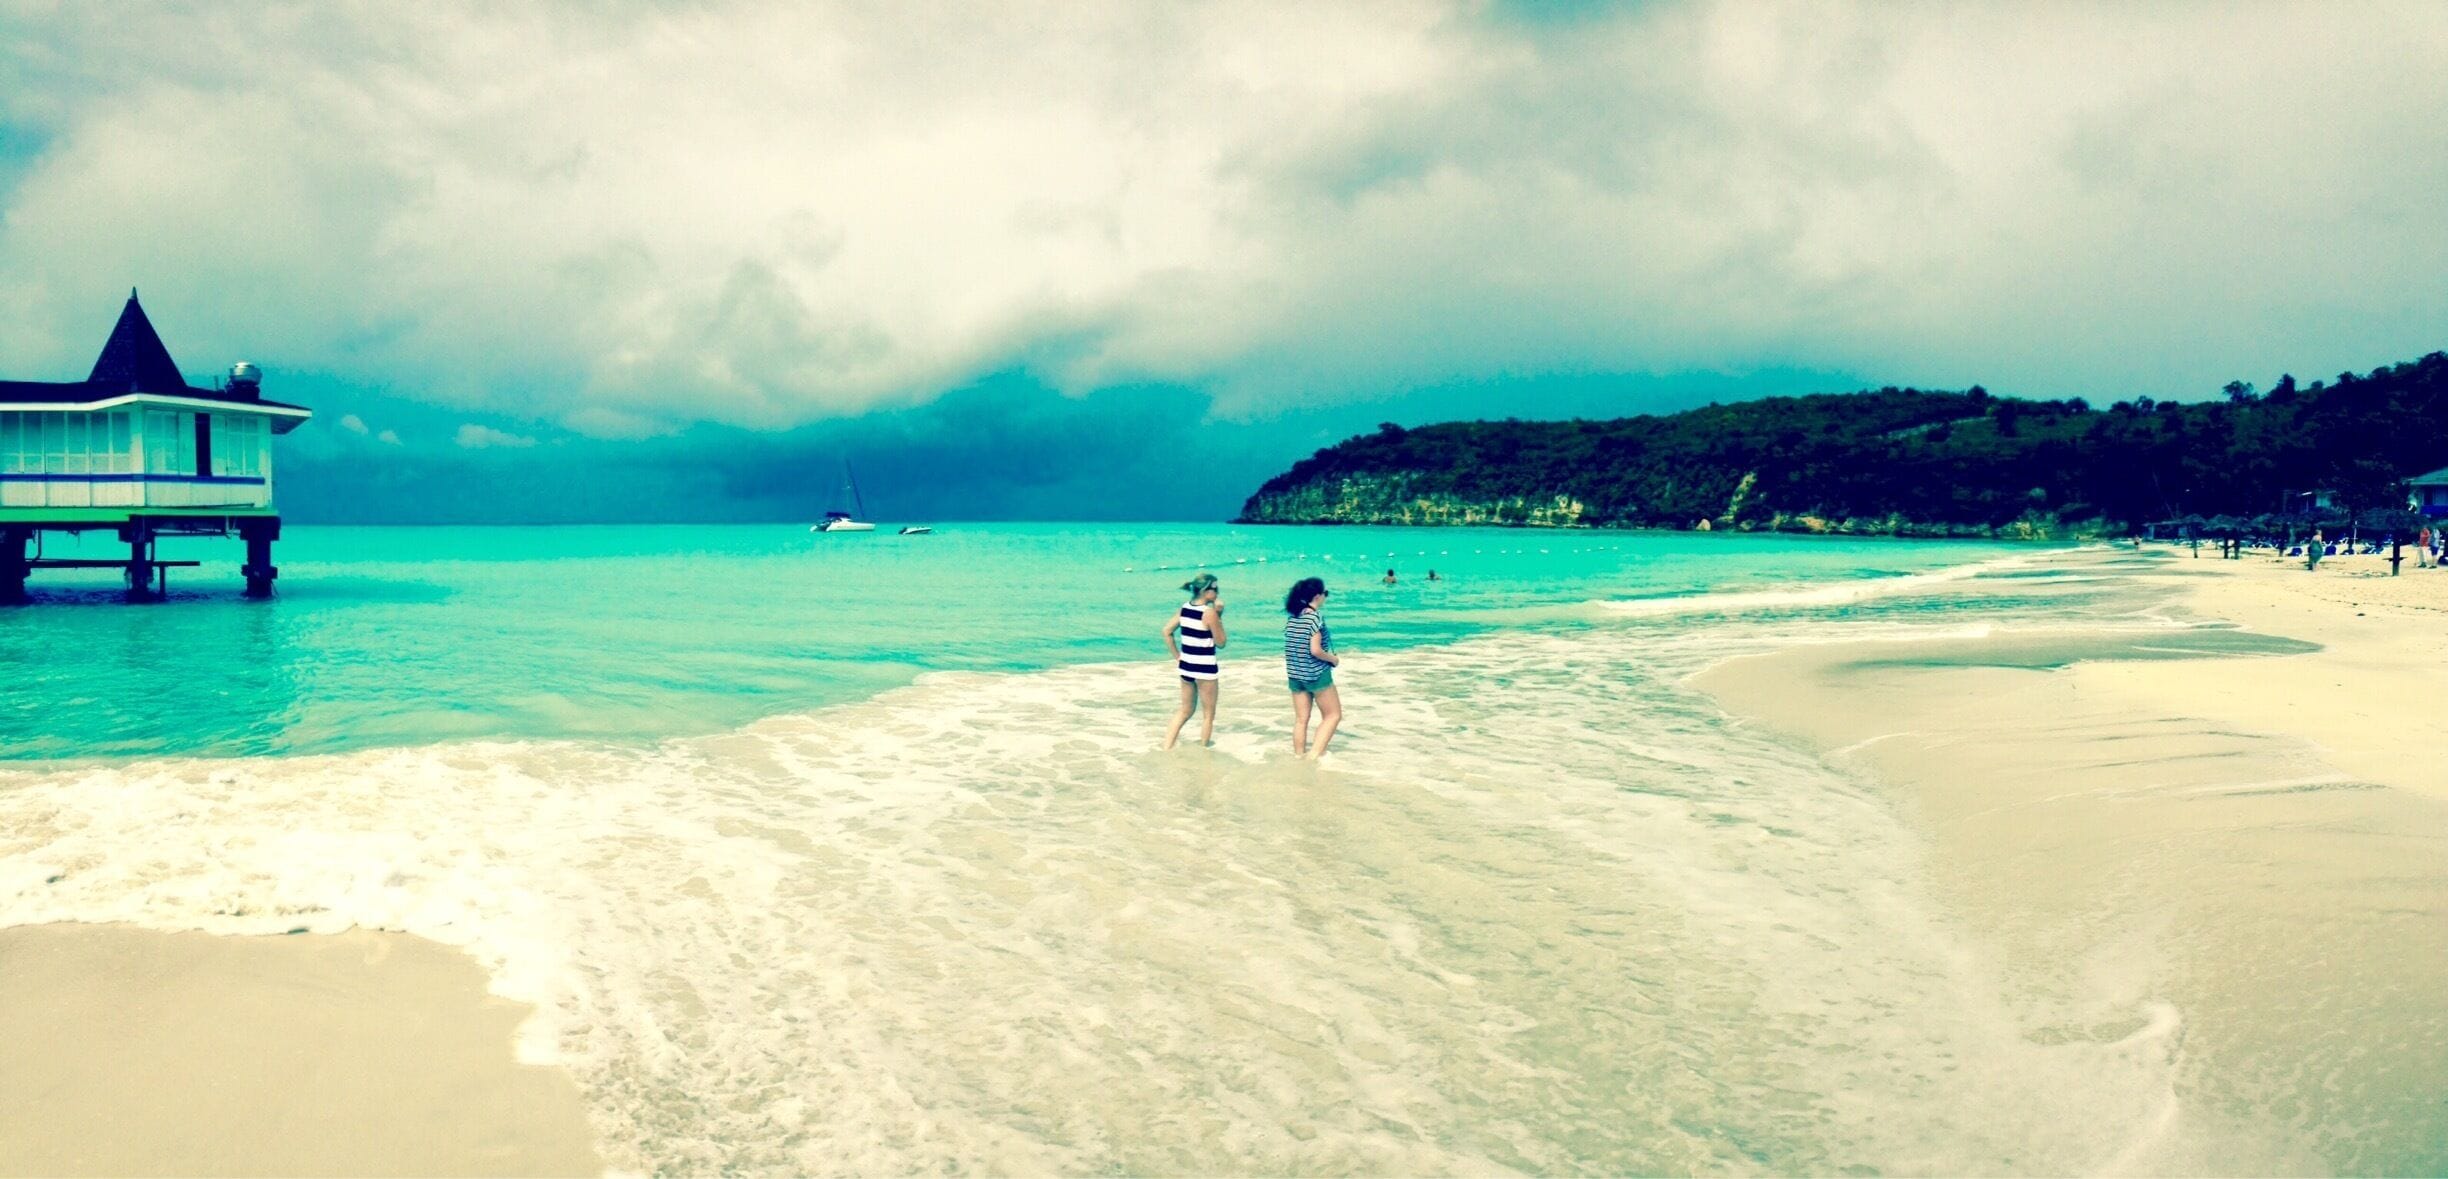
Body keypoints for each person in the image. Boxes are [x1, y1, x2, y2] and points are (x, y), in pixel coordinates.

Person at [1162, 573, 1225, 749]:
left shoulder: (1185, 608)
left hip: (1186, 667)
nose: (1218, 592)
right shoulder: (1209, 613)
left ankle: (1166, 747)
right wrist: (1219, 615)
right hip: (1204, 668)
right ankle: (1204, 751)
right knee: (1208, 715)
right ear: (1205, 591)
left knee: (1185, 711)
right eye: (1215, 588)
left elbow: (1167, 631)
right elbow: (1221, 642)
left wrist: (1178, 656)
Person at [1282, 577, 1341, 760]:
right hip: (1316, 674)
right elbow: (1315, 650)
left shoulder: (1293, 618)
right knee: (1333, 715)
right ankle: (1313, 756)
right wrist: (1333, 659)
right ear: (1317, 596)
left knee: (1301, 720)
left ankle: (1299, 757)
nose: (1325, 597)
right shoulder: (1315, 618)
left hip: (1295, 675)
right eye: (1325, 594)